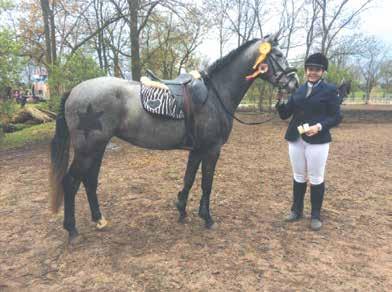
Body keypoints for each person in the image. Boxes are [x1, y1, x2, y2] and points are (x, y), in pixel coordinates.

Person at [275, 53, 342, 231]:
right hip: (296, 139)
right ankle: (296, 211)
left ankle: (315, 215)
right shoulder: (299, 89)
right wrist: (280, 101)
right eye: (310, 69)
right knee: (298, 176)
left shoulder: (330, 90)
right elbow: (285, 114)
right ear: (306, 70)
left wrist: (319, 126)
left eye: (317, 70)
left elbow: (336, 117)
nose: (313, 72)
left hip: (318, 140)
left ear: (322, 72)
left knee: (316, 178)